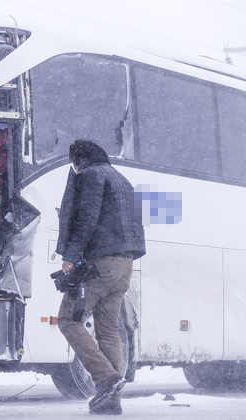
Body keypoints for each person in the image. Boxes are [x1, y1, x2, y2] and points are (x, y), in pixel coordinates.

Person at [55, 139, 145, 415]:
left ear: (80, 159)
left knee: (68, 320)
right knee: (108, 331)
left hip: (101, 264)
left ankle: (105, 378)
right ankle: (112, 401)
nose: (74, 169)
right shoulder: (121, 179)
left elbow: (87, 219)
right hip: (125, 265)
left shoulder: (92, 175)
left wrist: (71, 255)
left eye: (74, 164)